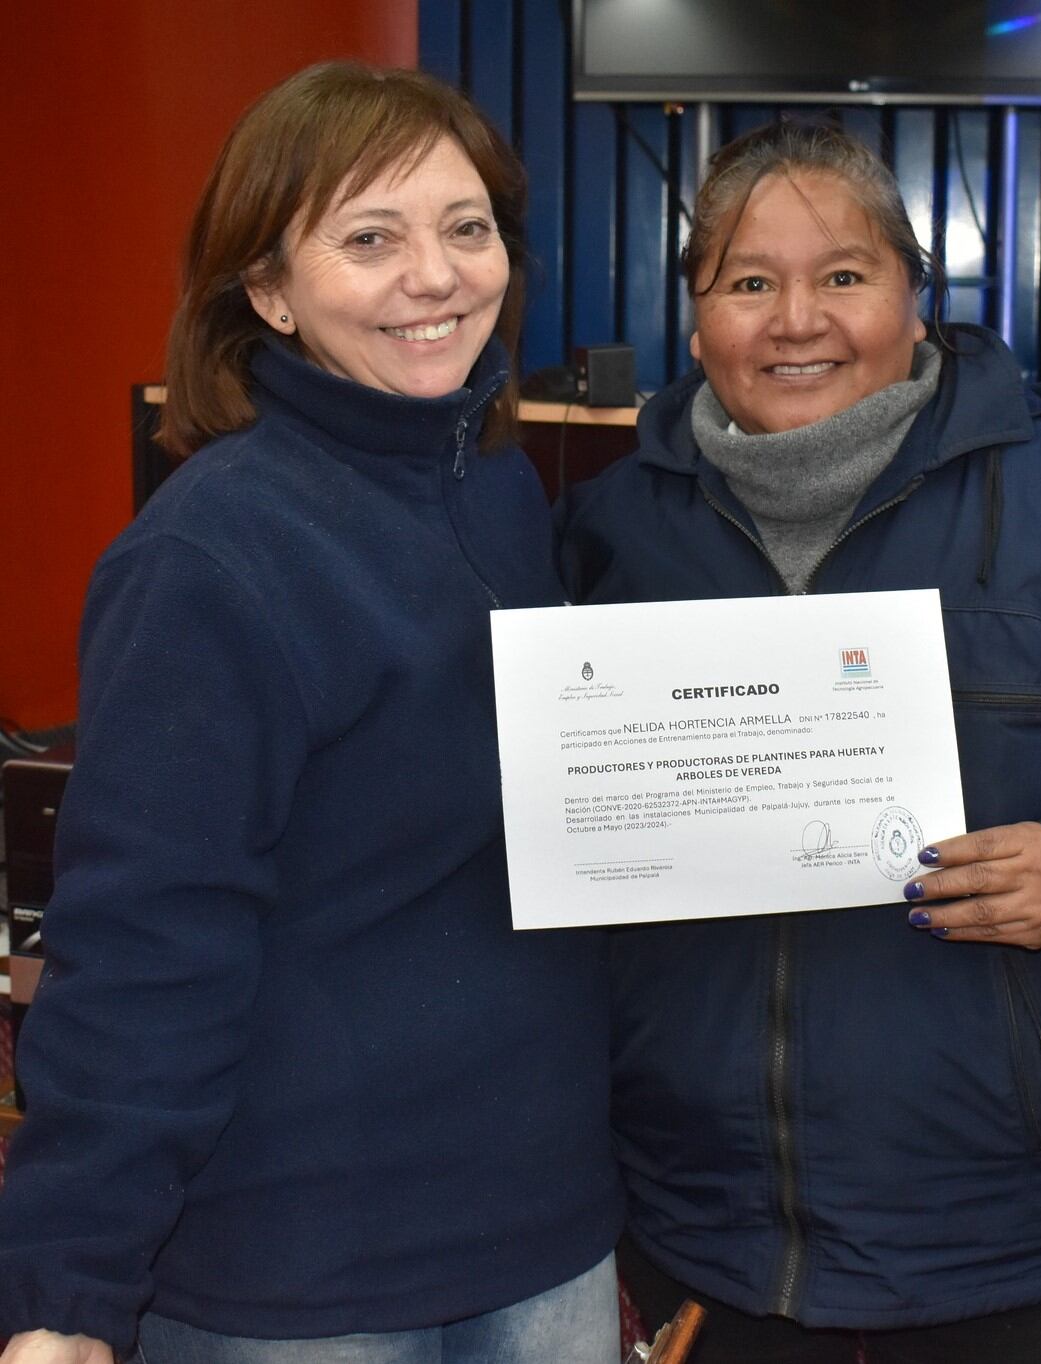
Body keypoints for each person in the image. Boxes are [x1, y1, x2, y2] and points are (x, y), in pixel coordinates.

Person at [554, 119, 1041, 1362]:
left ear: (916, 297)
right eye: (749, 282)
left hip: (997, 1228)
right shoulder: (607, 534)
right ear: (697, 322)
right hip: (701, 1221)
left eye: (843, 275)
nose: (796, 319)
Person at [0, 64, 621, 1364]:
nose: (437, 275)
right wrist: (67, 1290)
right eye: (370, 238)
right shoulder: (212, 555)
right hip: (300, 1268)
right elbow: (146, 942)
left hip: (542, 1229)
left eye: (466, 227)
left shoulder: (500, 496)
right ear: (269, 293)